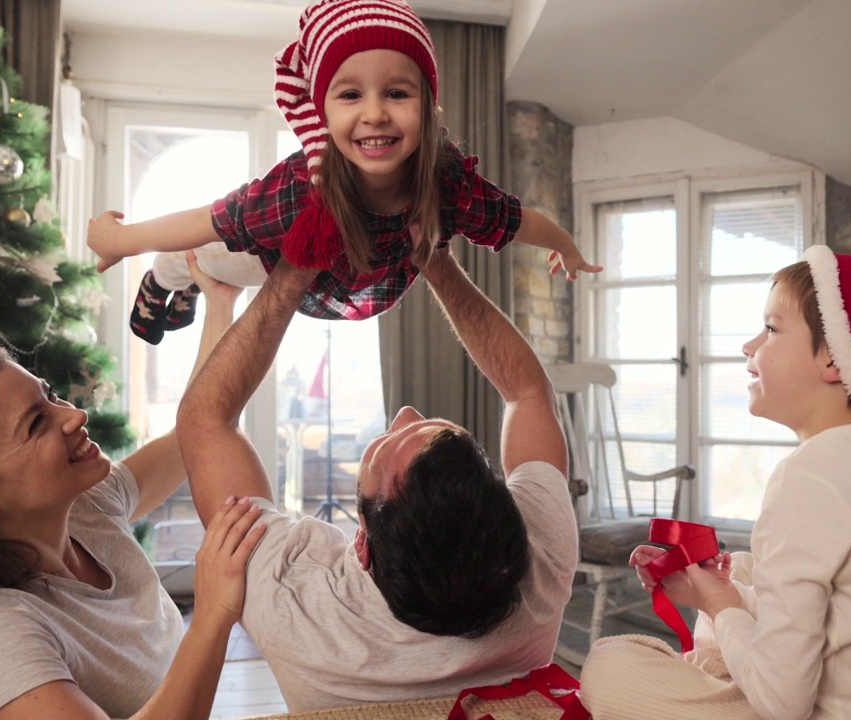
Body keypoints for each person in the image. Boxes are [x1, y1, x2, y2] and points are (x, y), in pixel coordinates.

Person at [579, 245, 851, 719]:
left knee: (610, 663)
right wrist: (716, 591)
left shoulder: (807, 480)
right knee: (742, 569)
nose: (749, 347)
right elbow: (843, 619)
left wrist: (720, 606)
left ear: (837, 362)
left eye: (770, 329)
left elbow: (783, 704)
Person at [0, 197, 264, 719]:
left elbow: (197, 429)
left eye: (50, 395)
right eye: (36, 424)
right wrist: (215, 611)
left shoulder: (86, 508)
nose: (74, 417)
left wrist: (221, 303)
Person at [173, 249, 578, 711]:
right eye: (426, 425)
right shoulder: (544, 554)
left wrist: (292, 274)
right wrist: (437, 263)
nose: (404, 412)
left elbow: (204, 419)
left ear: (363, 546)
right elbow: (527, 392)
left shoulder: (298, 602)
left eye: (381, 446)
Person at [87, 0, 601, 345]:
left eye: (397, 93)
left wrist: (567, 245)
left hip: (357, 291)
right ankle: (163, 282)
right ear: (324, 110)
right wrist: (121, 240)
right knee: (197, 255)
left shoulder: (448, 184)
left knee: (207, 257)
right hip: (273, 262)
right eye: (351, 94)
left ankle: (186, 284)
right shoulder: (298, 189)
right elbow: (208, 219)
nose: (375, 113)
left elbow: (517, 220)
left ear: (428, 106)